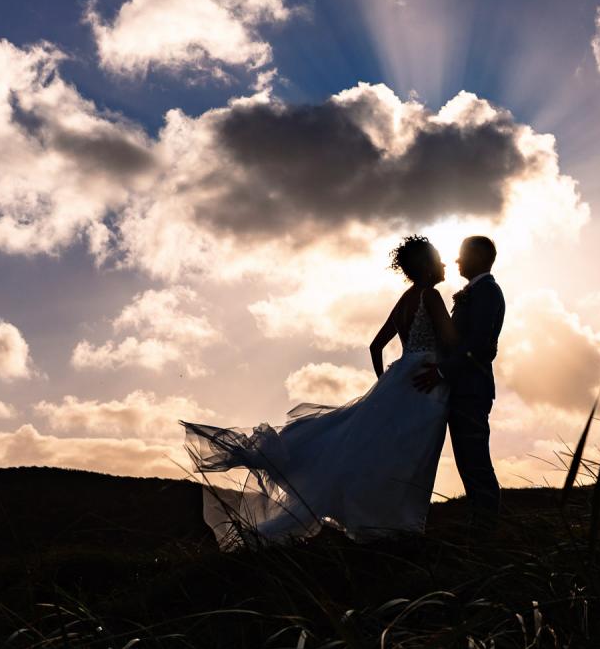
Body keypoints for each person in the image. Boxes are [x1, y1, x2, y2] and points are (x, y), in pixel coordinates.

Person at [181, 235, 459, 550]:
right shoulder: (431, 297)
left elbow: (376, 346)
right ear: (426, 263)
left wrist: (387, 384)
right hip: (426, 383)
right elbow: (452, 343)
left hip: (399, 380)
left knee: (390, 455)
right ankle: (399, 527)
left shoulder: (404, 300)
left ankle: (391, 527)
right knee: (411, 458)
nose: (444, 263)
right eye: (438, 257)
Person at [413, 235, 504, 533]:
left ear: (478, 257)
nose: (456, 261)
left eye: (462, 255)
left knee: (475, 460)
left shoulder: (488, 292)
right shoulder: (474, 292)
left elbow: (476, 344)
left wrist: (441, 373)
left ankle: (489, 529)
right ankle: (481, 525)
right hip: (461, 387)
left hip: (471, 389)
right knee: (467, 461)